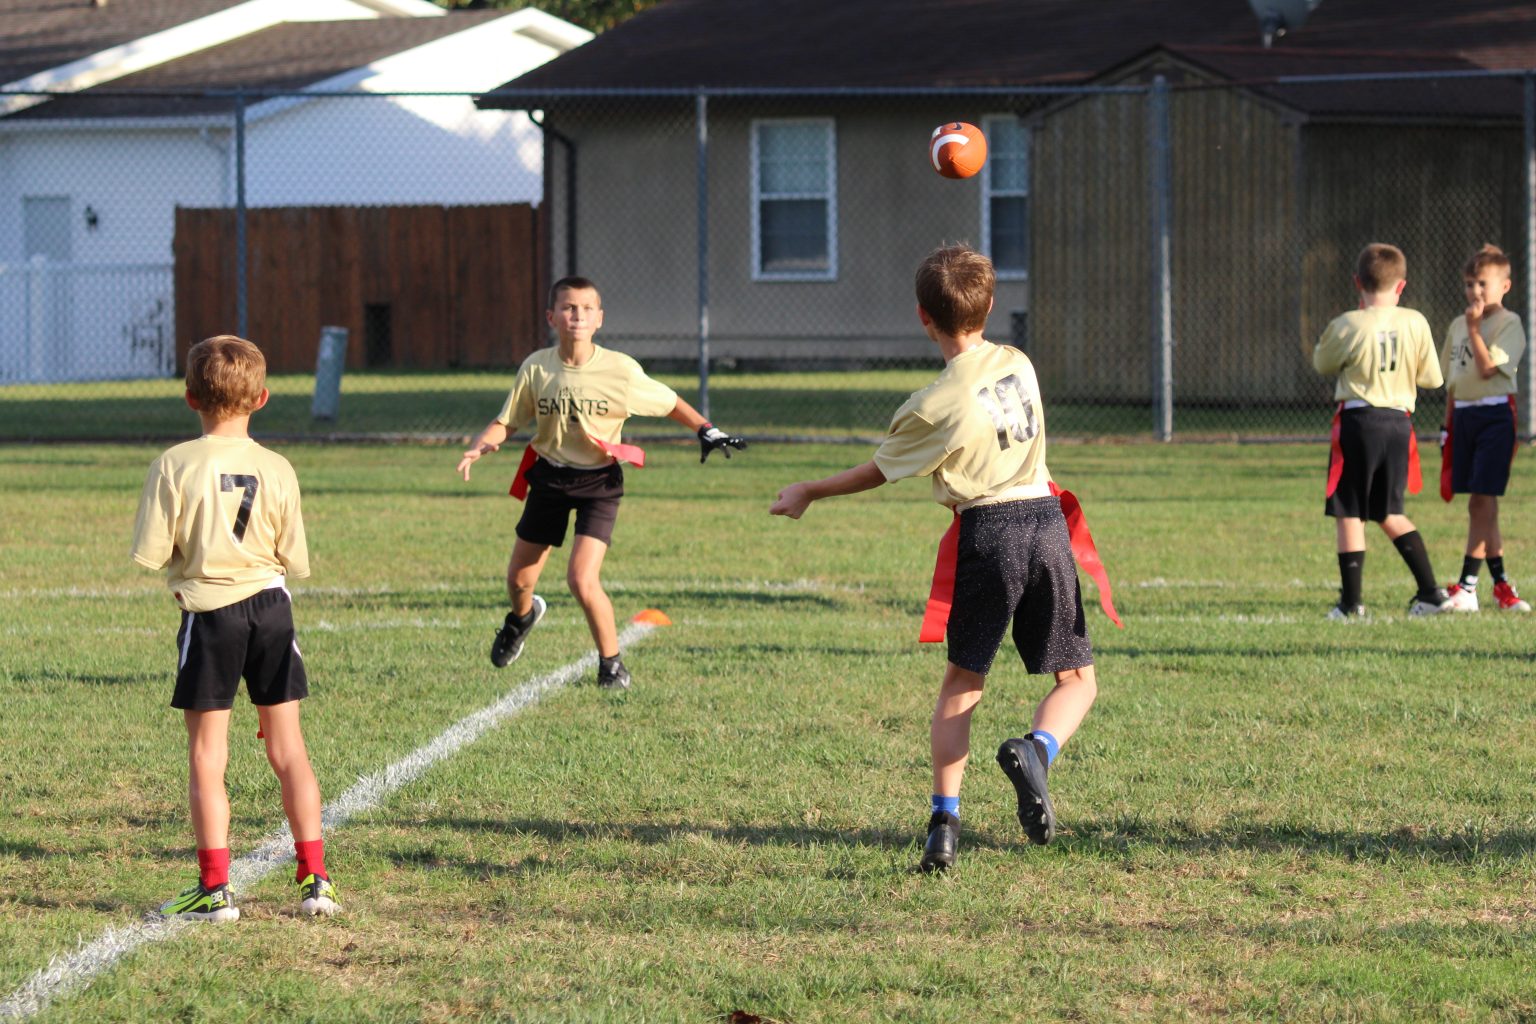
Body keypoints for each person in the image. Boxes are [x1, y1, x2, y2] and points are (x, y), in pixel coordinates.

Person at [770, 244, 1102, 873]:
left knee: (962, 683)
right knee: (1077, 680)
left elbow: (878, 470)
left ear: (924, 317)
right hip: (1045, 522)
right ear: (990, 305)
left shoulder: (931, 405)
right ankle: (1037, 749)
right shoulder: (1019, 362)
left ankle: (943, 827)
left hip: (990, 531)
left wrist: (810, 490)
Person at [131, 335, 338, 921]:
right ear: (263, 398)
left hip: (210, 615)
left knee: (207, 754)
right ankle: (316, 880)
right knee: (289, 749)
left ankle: (214, 889)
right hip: (271, 608)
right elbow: (293, 557)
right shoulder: (278, 467)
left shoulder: (173, 464)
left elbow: (153, 553)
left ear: (190, 396)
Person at [457, 276, 746, 688]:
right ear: (551, 317)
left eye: (586, 309)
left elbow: (669, 402)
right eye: (568, 308)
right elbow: (507, 420)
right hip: (549, 478)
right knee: (519, 580)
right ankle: (521, 618)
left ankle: (611, 665)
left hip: (598, 483)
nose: (577, 315)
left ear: (600, 319)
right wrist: (483, 444)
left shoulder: (619, 370)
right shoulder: (537, 367)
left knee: (581, 578)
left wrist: (706, 429)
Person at [1312, 242, 1448, 619]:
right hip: (1398, 424)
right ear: (1401, 286)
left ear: (1357, 282)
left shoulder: (1348, 323)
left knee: (1349, 511)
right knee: (1389, 511)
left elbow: (1322, 363)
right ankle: (1431, 593)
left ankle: (1351, 604)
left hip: (1359, 423)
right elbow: (1432, 379)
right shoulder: (1415, 321)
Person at [1439, 244, 1531, 613]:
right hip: (1464, 417)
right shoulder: (1457, 324)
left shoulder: (1509, 323)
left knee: (1482, 499)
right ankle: (1502, 585)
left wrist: (1476, 329)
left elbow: (1488, 368)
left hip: (1494, 416)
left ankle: (1467, 586)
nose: (1474, 291)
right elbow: (1453, 380)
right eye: (1469, 284)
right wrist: (1446, 425)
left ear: (1504, 286)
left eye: (1482, 284)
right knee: (1481, 504)